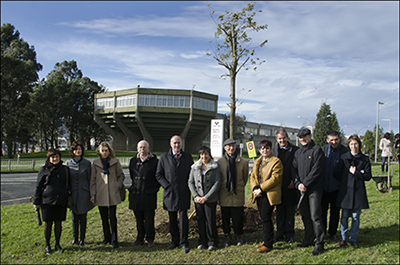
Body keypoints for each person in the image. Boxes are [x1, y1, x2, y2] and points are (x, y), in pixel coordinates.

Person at [156, 135, 194, 253]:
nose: (176, 145)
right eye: (174, 143)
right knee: (172, 219)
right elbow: (158, 174)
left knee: (183, 219)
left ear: (181, 144)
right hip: (170, 193)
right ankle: (174, 241)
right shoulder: (163, 158)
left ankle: (184, 242)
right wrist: (166, 186)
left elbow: (192, 173)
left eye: (178, 143)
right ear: (170, 144)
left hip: (183, 192)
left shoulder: (187, 157)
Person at [293, 128, 325, 256]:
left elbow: (317, 170)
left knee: (315, 216)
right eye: (300, 138)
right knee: (305, 216)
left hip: (314, 190)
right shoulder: (298, 152)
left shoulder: (317, 150)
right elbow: (293, 169)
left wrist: (306, 183)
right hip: (302, 190)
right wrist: (298, 184)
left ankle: (320, 244)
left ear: (310, 136)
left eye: (305, 137)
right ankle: (308, 239)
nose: (303, 139)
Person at [337, 135, 371, 249]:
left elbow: (367, 176)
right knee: (344, 216)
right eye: (351, 144)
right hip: (346, 191)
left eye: (355, 144)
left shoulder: (364, 159)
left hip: (358, 192)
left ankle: (353, 239)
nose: (354, 146)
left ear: (359, 145)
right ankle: (343, 238)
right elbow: (337, 173)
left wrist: (357, 173)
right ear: (348, 145)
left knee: (356, 217)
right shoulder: (343, 158)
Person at [33, 148, 70, 255]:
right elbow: (38, 186)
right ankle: (47, 245)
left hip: (60, 200)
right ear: (49, 158)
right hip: (47, 201)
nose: (55, 159)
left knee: (58, 223)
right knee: (48, 224)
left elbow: (68, 183)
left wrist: (67, 192)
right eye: (53, 157)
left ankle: (57, 244)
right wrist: (36, 202)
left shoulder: (64, 169)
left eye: (57, 157)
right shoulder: (43, 169)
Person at [250, 139, 283, 253]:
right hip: (258, 194)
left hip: (269, 194)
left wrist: (261, 189)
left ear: (271, 149)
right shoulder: (257, 161)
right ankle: (266, 240)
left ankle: (269, 244)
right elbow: (252, 176)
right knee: (263, 218)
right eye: (262, 148)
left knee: (266, 218)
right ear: (259, 150)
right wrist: (254, 188)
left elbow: (275, 179)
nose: (265, 150)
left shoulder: (276, 162)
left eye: (267, 148)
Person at [90, 142, 125, 249]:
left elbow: (121, 176)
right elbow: (93, 179)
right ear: (99, 152)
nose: (104, 153)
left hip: (112, 193)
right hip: (101, 192)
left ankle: (114, 239)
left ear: (109, 151)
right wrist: (93, 194)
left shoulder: (115, 162)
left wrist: (117, 185)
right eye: (102, 151)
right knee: (104, 218)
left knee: (112, 217)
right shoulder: (95, 163)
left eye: (106, 150)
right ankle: (106, 238)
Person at [188, 146, 221, 251]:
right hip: (198, 200)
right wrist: (196, 196)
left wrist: (206, 197)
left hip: (210, 199)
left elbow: (217, 183)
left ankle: (212, 242)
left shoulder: (214, 166)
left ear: (209, 155)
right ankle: (202, 241)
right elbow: (190, 182)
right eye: (202, 154)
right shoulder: (194, 167)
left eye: (206, 154)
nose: (204, 156)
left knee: (210, 220)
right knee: (200, 220)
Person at [217, 138, 249, 247]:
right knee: (225, 218)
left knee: (238, 217)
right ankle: (227, 237)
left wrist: (237, 186)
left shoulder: (243, 162)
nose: (231, 148)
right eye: (228, 146)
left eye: (233, 146)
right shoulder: (220, 162)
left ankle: (238, 236)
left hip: (237, 193)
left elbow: (245, 178)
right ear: (225, 148)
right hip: (224, 193)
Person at [128, 140, 159, 248]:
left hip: (148, 194)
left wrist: (154, 189)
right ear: (137, 149)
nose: (142, 149)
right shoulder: (133, 161)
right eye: (140, 147)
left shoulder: (155, 161)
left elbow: (158, 177)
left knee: (149, 219)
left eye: (144, 147)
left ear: (148, 149)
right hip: (136, 194)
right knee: (138, 218)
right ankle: (140, 238)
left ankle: (150, 239)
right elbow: (132, 175)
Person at [271, 128, 299, 244]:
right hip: (277, 186)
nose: (282, 140)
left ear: (287, 138)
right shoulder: (273, 150)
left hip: (290, 185)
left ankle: (289, 234)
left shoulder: (296, 150)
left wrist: (295, 181)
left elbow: (298, 167)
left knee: (290, 212)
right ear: (276, 139)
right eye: (279, 138)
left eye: (284, 138)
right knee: (279, 211)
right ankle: (279, 233)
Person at [65, 141, 94, 247]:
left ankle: (82, 238)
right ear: (72, 151)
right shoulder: (68, 163)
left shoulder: (86, 163)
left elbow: (90, 179)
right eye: (76, 149)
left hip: (83, 193)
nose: (78, 151)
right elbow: (67, 180)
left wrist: (92, 194)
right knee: (74, 217)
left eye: (80, 149)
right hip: (73, 194)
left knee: (83, 217)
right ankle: (75, 238)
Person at [320, 131, 348, 242]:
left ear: (339, 139)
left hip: (337, 188)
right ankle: (322, 232)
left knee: (335, 213)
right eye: (331, 140)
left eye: (336, 139)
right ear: (327, 140)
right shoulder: (323, 150)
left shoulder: (344, 151)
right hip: (323, 187)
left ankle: (332, 233)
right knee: (322, 212)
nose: (334, 142)